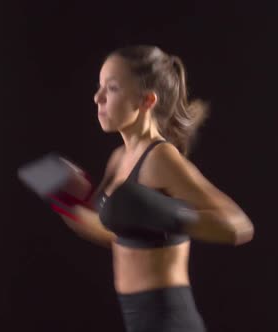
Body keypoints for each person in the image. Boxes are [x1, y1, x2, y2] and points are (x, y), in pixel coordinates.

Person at [18, 45, 254, 332]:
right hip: (137, 320)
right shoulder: (118, 159)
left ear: (147, 100)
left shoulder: (160, 159)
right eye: (99, 86)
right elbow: (116, 232)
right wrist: (68, 201)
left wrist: (167, 213)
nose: (98, 97)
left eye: (112, 88)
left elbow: (238, 226)